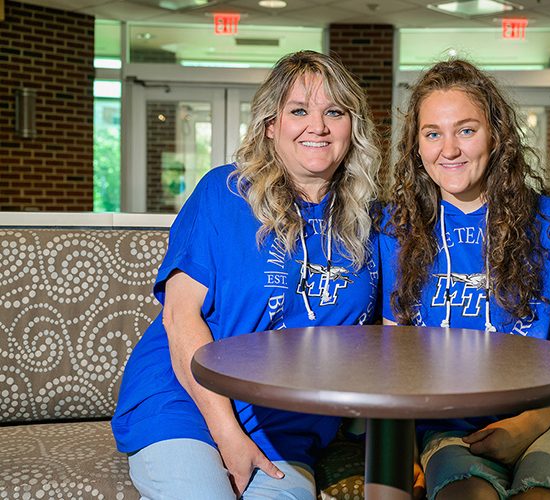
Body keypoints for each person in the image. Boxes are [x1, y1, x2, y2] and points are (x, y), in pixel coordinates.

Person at [112, 50, 381, 500]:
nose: (318, 126)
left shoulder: (373, 221)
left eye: (334, 112)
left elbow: (388, 332)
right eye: (299, 111)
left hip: (286, 424)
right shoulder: (225, 191)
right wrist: (227, 433)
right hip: (185, 403)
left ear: (352, 126)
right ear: (271, 125)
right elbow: (180, 318)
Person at [380, 59, 550, 500]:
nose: (449, 149)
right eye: (433, 134)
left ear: (496, 136)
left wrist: (527, 425)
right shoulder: (399, 229)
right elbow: (394, 355)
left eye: (466, 130)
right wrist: (404, 449)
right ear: (416, 146)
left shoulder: (549, 221)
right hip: (447, 423)